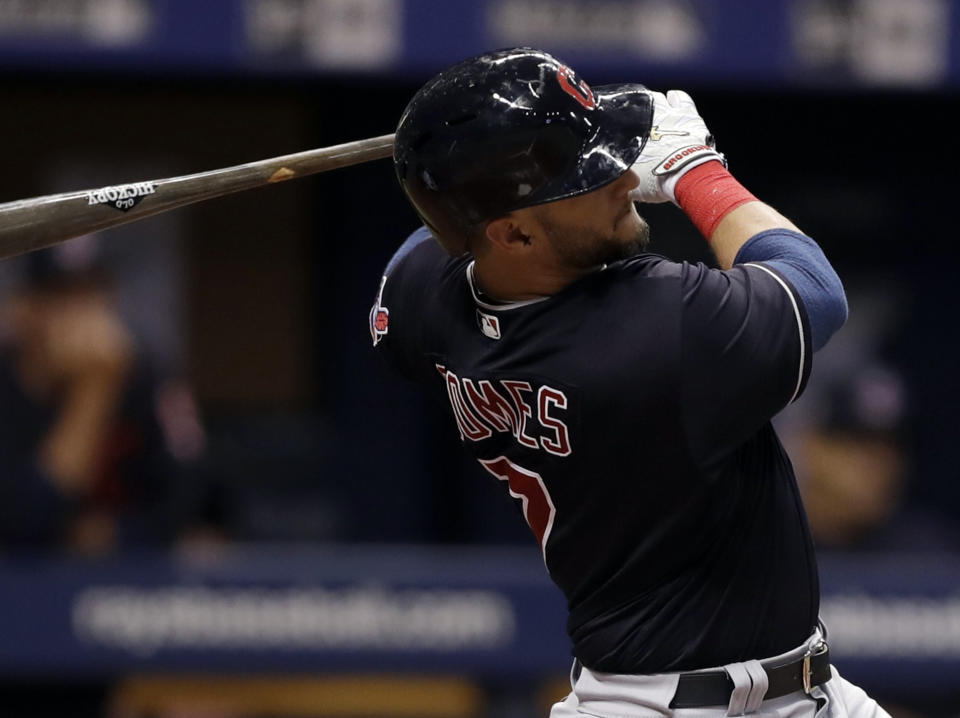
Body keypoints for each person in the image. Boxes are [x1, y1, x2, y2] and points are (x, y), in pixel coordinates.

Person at [371, 48, 886, 717]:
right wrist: (693, 173)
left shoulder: (426, 301)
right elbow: (813, 290)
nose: (620, 175)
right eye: (589, 176)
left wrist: (488, 138)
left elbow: (424, 251)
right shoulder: (650, 329)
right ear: (515, 234)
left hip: (803, 692)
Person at [0, 241, 203, 554]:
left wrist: (122, 533)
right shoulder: (7, 384)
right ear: (23, 310)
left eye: (93, 294)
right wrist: (93, 390)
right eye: (63, 297)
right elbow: (22, 526)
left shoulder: (147, 375)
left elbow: (195, 504)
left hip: (127, 586)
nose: (86, 315)